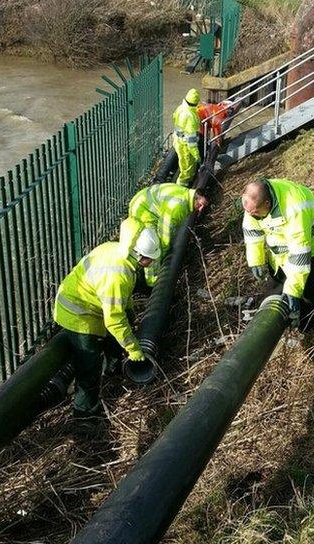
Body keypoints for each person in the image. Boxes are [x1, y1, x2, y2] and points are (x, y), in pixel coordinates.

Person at [53, 224, 161, 423]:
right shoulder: (118, 274)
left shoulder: (118, 251)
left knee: (122, 325)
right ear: (140, 256)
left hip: (90, 305)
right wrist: (133, 348)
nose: (151, 263)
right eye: (149, 259)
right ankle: (85, 414)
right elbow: (114, 320)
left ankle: (114, 367)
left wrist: (129, 311)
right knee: (89, 365)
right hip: (78, 314)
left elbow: (120, 298)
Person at [242, 178, 314, 330]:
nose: (252, 216)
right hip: (281, 242)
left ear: (267, 204)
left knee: (308, 285)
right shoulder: (253, 202)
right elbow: (252, 230)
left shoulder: (295, 209)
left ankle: (305, 321)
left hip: (308, 241)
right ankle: (281, 313)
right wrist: (255, 259)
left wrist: (293, 291)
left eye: (255, 213)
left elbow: (300, 255)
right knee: (277, 281)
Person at [124, 183, 209, 287]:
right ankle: (151, 281)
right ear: (197, 197)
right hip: (144, 211)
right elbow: (165, 233)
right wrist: (163, 254)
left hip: (143, 202)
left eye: (203, 206)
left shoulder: (186, 195)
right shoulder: (178, 206)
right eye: (200, 205)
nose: (200, 209)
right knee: (153, 246)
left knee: (153, 247)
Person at [173, 88, 202, 186]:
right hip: (185, 146)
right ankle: (181, 188)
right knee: (187, 171)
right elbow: (191, 142)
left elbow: (174, 119)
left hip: (177, 140)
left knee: (182, 164)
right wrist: (197, 156)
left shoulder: (180, 108)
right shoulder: (191, 117)